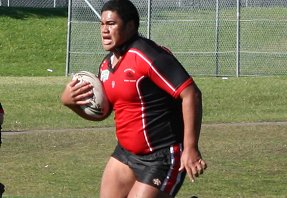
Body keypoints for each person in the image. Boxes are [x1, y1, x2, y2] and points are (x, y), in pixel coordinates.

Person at [61, 0, 207, 197]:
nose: (104, 30)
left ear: (130, 26)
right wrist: (71, 103)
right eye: (102, 24)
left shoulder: (147, 55)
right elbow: (103, 112)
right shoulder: (106, 65)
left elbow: (191, 94)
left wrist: (190, 148)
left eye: (111, 24)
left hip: (161, 157)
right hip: (125, 154)